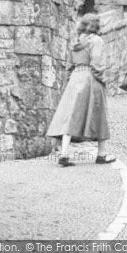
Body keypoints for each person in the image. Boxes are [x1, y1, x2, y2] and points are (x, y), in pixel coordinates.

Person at [46, 13, 116, 166]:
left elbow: (69, 65)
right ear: (95, 26)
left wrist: (71, 78)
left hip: (76, 77)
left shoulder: (75, 42)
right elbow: (97, 63)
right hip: (91, 78)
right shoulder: (96, 41)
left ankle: (63, 154)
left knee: (71, 115)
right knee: (99, 113)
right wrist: (103, 79)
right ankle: (102, 154)